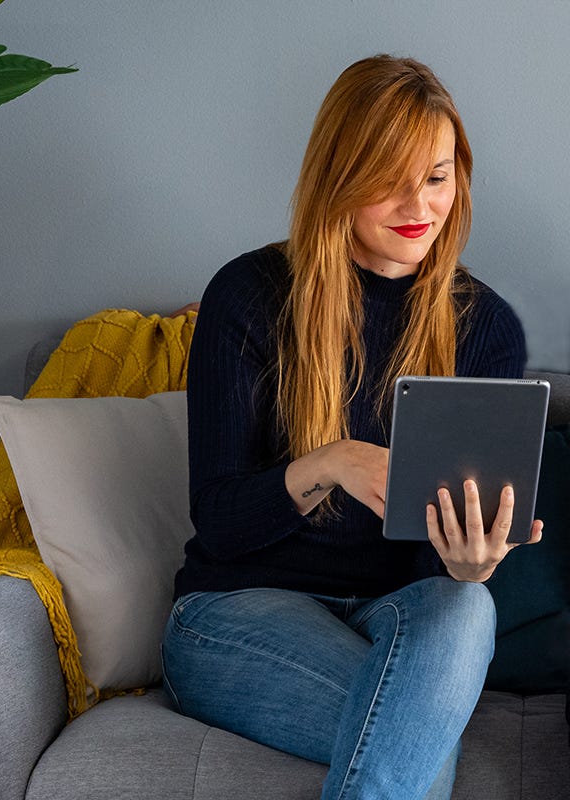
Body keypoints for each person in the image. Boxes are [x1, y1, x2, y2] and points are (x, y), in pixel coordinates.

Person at [161, 54, 543, 800]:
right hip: (233, 613)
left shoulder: (485, 326)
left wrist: (470, 563)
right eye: (388, 177)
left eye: (436, 176)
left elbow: (447, 578)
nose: (418, 204)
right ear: (339, 175)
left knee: (468, 606)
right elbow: (219, 524)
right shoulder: (248, 295)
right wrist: (329, 462)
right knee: (419, 734)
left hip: (398, 614)